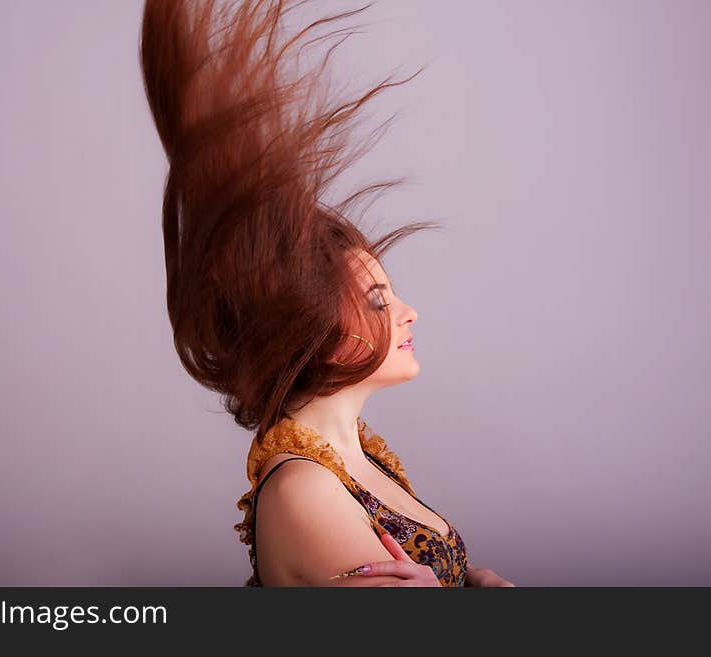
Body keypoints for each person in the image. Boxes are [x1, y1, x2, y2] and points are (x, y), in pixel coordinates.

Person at [139, 0, 515, 587]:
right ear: (306, 329)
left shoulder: (360, 461)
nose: (408, 312)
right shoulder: (305, 488)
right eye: (377, 301)